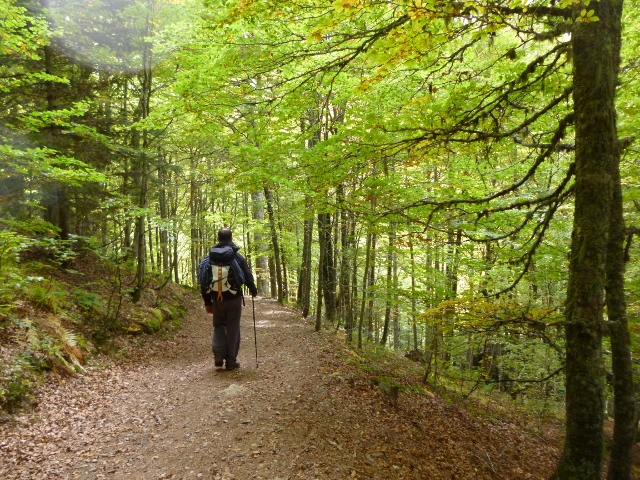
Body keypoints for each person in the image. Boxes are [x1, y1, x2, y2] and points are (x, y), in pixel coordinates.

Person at [201, 228, 258, 370]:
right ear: (231, 238)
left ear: (217, 238)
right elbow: (247, 275)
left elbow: (204, 281)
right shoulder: (237, 257)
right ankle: (231, 361)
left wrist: (207, 302)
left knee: (219, 326)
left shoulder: (209, 259)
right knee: (233, 328)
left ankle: (219, 356)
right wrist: (253, 290)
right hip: (234, 298)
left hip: (217, 298)